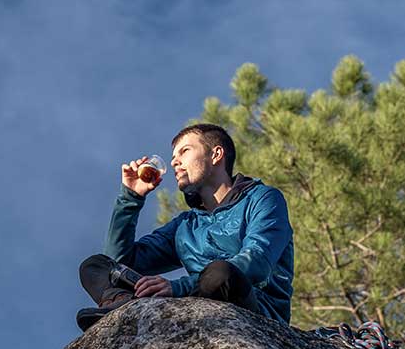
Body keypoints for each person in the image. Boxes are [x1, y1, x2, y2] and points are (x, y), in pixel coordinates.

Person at [76, 123, 294, 331]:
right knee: (95, 266)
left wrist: (177, 288)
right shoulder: (185, 226)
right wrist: (130, 198)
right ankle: (126, 309)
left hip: (255, 309)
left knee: (220, 272)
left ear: (216, 154)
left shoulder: (262, 198)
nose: (174, 163)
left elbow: (257, 262)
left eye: (184, 151)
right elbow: (120, 262)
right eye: (173, 157)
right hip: (197, 307)